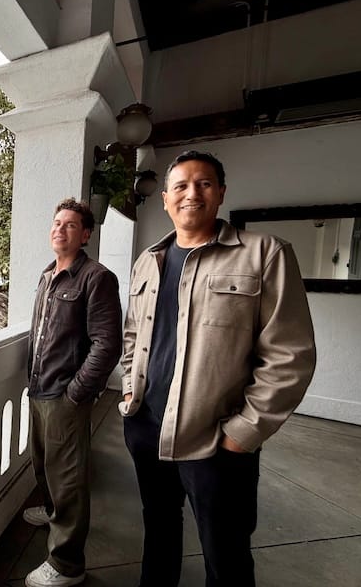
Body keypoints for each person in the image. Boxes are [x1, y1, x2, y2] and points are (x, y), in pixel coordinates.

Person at [119, 150, 316, 587]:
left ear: (221, 193)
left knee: (224, 552)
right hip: (148, 427)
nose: (193, 193)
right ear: (166, 199)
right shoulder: (148, 262)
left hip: (216, 441)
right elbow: (134, 335)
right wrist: (130, 395)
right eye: (182, 186)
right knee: (159, 533)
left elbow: (290, 355)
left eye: (204, 183)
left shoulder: (263, 255)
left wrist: (242, 434)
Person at [23, 197, 123, 587]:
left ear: (85, 235)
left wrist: (76, 394)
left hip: (66, 395)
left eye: (69, 225)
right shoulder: (48, 276)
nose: (59, 229)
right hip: (39, 389)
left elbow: (107, 344)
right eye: (56, 222)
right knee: (42, 466)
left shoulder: (96, 278)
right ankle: (52, 513)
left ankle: (67, 563)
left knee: (68, 480)